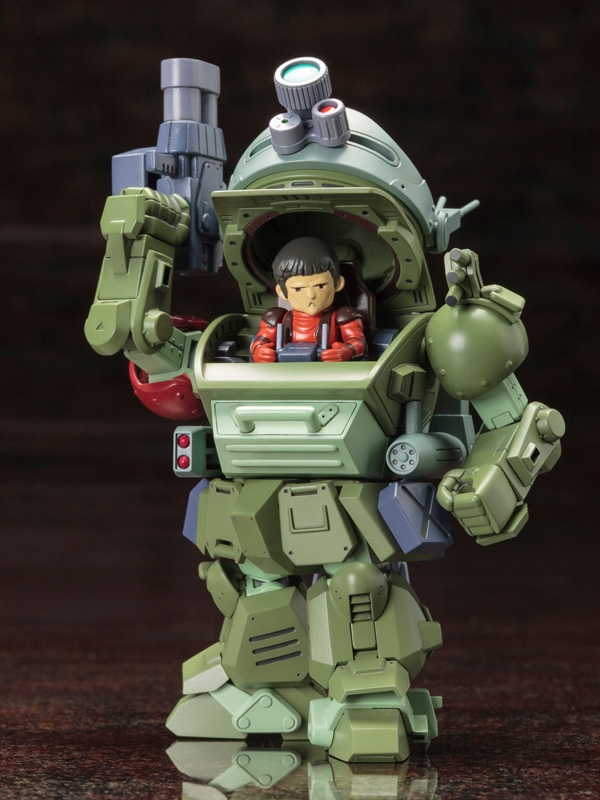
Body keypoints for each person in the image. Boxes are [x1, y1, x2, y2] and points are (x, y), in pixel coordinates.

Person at [250, 237, 367, 362]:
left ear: (338, 284)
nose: (311, 295)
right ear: (281, 291)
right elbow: (260, 342)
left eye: (320, 286)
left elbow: (358, 342)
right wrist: (260, 352)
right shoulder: (276, 318)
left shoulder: (344, 317)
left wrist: (347, 351)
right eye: (298, 289)